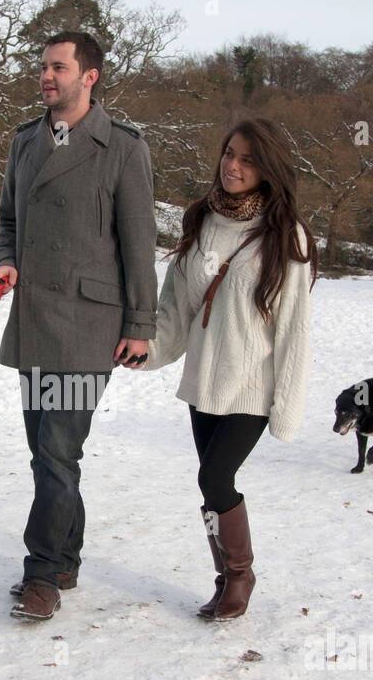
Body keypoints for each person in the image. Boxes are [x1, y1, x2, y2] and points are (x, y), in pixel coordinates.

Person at [0, 30, 158, 622]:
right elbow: (8, 219)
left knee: (58, 453)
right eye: (43, 67)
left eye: (58, 67)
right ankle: (66, 558)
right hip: (34, 319)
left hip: (90, 328)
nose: (45, 76)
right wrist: (4, 260)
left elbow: (140, 245)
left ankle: (42, 577)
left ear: (89, 76)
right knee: (47, 453)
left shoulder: (122, 147)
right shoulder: (25, 142)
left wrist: (141, 325)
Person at [125, 117, 317, 621]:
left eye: (247, 159)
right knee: (208, 484)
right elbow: (176, 309)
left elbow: (294, 331)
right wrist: (145, 350)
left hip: (251, 388)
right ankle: (223, 577)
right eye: (230, 153)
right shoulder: (202, 221)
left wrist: (286, 408)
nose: (233, 165)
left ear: (267, 169)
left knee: (216, 477)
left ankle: (240, 575)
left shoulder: (285, 238)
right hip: (202, 386)